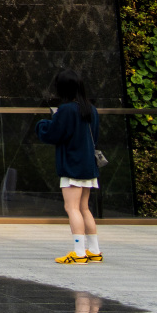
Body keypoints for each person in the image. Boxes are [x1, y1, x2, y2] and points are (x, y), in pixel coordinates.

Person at [38, 68, 102, 263]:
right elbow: (95, 136)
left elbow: (54, 134)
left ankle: (79, 252)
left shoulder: (66, 109)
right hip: (88, 165)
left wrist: (42, 124)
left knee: (71, 207)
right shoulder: (90, 109)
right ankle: (94, 250)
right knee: (84, 208)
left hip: (72, 164)